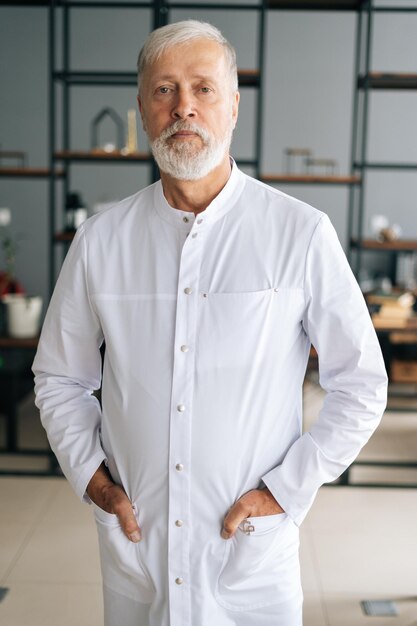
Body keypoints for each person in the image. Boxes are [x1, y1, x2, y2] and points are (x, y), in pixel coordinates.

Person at [33, 20, 387, 626]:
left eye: (203, 88)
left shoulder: (298, 233)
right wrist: (94, 480)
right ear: (142, 108)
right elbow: (59, 379)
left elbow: (361, 384)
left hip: (251, 552)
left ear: (234, 107)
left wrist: (285, 490)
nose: (184, 108)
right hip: (136, 545)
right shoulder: (100, 241)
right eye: (164, 90)